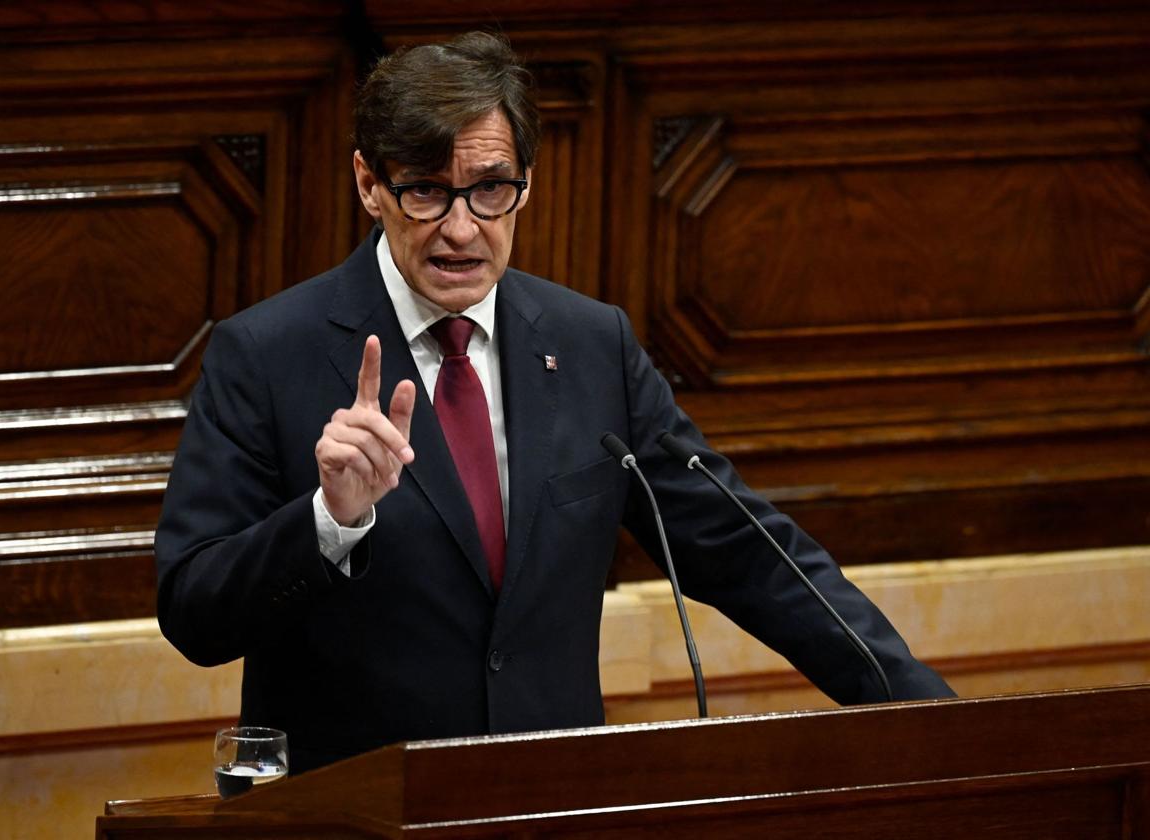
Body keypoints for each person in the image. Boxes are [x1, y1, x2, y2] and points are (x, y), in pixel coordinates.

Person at [155, 31, 953, 775]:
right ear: (370, 183)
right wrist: (329, 523)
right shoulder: (266, 354)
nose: (461, 229)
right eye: (427, 191)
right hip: (364, 812)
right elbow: (194, 612)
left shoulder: (590, 344)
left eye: (490, 190)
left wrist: (926, 717)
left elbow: (745, 551)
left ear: (527, 185)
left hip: (555, 803)